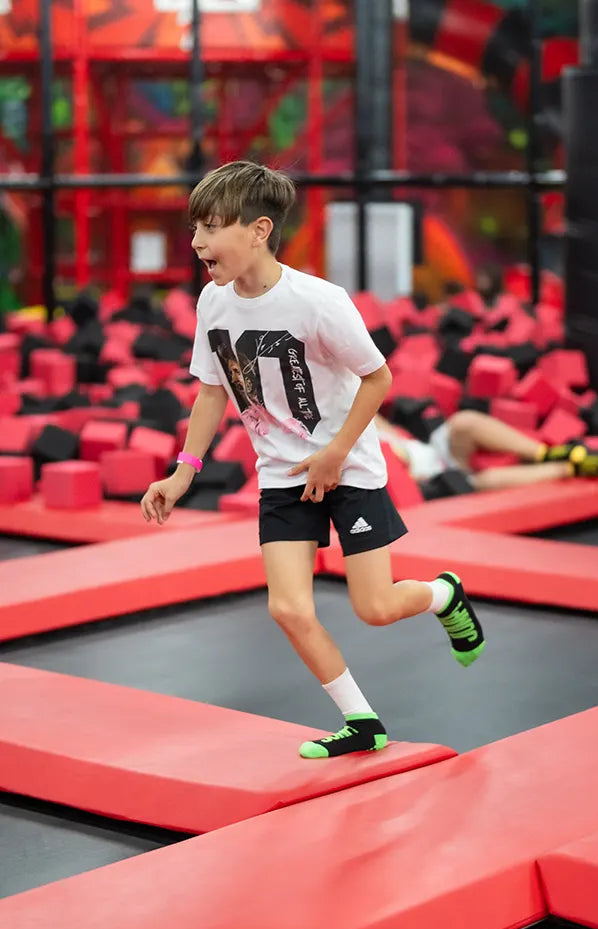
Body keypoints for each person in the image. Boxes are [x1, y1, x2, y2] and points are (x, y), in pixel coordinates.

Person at [139, 160, 485, 759]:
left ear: (259, 230)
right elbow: (213, 391)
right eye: (194, 228)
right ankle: (362, 720)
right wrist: (182, 471)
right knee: (288, 607)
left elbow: (377, 379)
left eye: (212, 228)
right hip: (279, 473)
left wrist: (335, 452)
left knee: (375, 608)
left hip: (347, 467)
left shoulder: (319, 302)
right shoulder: (212, 302)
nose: (197, 242)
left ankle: (443, 596)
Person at [375, 411, 598, 492]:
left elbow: (393, 431)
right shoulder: (341, 448)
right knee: (484, 482)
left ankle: (546, 453)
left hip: (430, 451)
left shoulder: (358, 413)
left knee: (464, 422)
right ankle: (567, 468)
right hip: (433, 482)